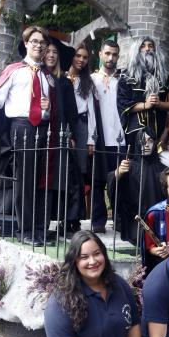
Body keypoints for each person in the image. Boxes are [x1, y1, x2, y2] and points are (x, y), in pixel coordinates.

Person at [0, 26, 55, 246]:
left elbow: (52, 110)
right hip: (21, 128)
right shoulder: (13, 70)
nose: (38, 45)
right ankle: (25, 230)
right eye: (34, 41)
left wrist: (49, 109)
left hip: (44, 130)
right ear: (26, 44)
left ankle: (40, 229)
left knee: (42, 180)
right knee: (25, 180)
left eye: (42, 42)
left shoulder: (48, 77)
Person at [44, 38, 84, 235]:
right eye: (48, 51)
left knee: (68, 179)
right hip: (42, 137)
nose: (51, 55)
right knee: (46, 180)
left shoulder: (64, 82)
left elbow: (72, 112)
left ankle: (69, 221)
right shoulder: (39, 77)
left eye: (55, 52)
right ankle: (44, 221)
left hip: (61, 135)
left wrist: (73, 136)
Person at [117, 37, 169, 150]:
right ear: (137, 50)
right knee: (136, 163)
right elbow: (122, 103)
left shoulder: (167, 77)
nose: (147, 49)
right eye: (143, 46)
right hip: (135, 130)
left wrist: (159, 103)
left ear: (155, 50)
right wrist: (146, 105)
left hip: (160, 128)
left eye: (151, 46)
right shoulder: (126, 76)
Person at [107, 132, 165, 244]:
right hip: (134, 221)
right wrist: (118, 173)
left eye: (150, 141)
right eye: (142, 141)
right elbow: (113, 186)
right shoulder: (129, 166)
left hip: (158, 221)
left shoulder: (162, 169)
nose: (146, 145)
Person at [90, 39, 123, 234]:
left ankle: (119, 219)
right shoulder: (92, 80)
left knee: (119, 180)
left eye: (114, 54)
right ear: (101, 54)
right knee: (97, 181)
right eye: (108, 53)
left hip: (119, 137)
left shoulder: (122, 81)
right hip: (99, 136)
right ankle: (98, 221)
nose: (111, 58)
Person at [66, 44, 98, 232]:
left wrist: (91, 139)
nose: (81, 60)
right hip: (65, 126)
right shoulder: (61, 77)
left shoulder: (87, 82)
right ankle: (62, 215)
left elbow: (92, 112)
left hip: (82, 126)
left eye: (85, 57)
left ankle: (75, 218)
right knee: (64, 173)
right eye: (78, 56)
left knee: (78, 174)